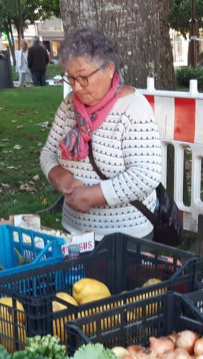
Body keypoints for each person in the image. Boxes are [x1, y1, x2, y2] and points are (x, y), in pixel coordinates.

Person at [39, 28, 162, 240]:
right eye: (71, 77)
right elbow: (48, 153)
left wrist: (92, 196)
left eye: (83, 77)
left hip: (124, 236)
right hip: (75, 229)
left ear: (110, 69)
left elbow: (145, 175)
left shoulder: (134, 108)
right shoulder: (69, 105)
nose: (76, 87)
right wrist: (62, 178)